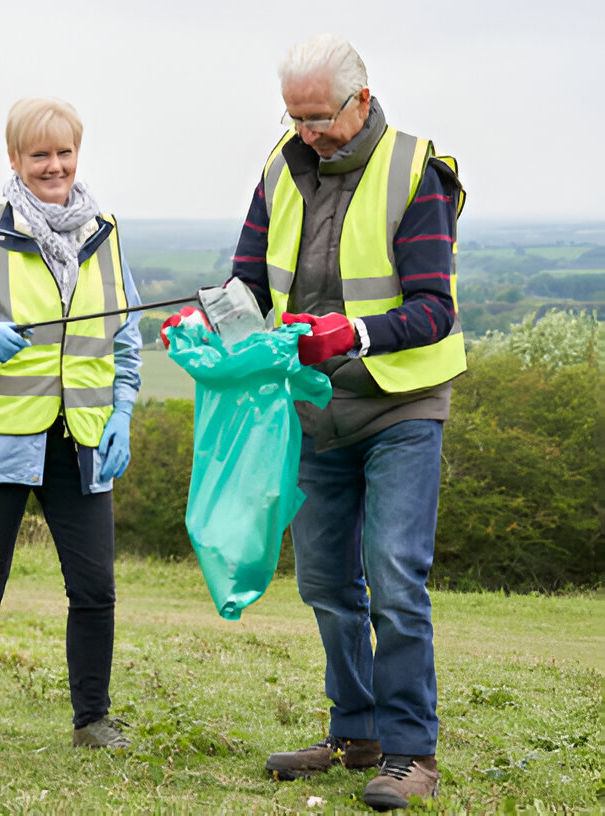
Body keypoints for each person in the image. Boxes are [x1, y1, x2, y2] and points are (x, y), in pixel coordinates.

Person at [214, 35, 465, 810]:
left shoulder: (416, 169)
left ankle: (410, 752)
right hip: (313, 409)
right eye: (294, 117)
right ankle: (353, 732)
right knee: (325, 581)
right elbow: (248, 283)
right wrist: (212, 323)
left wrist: (353, 332)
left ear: (361, 101)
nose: (305, 132)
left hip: (400, 405)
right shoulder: (279, 166)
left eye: (318, 117)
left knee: (393, 574)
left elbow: (433, 307)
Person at [0, 98, 143, 751]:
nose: (54, 166)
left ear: (78, 155)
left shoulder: (105, 232)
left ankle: (92, 720)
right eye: (39, 155)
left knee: (95, 588)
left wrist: (123, 413)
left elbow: (125, 339)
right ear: (16, 161)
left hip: (80, 444)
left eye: (64, 153)